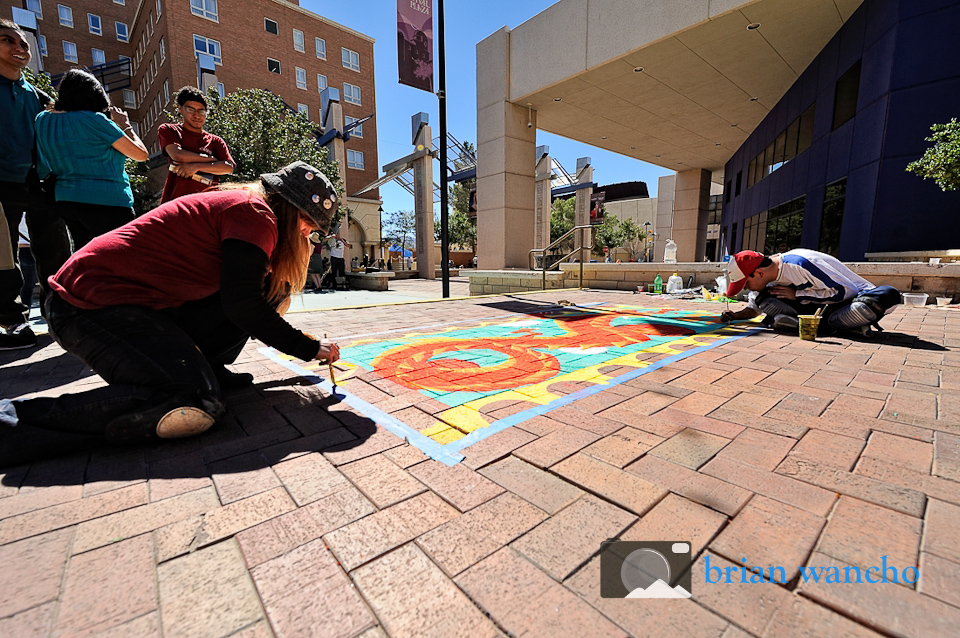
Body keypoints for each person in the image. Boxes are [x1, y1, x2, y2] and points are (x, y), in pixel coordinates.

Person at [0, 162, 341, 465]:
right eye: (308, 224)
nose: (304, 234)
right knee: (192, 399)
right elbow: (242, 305)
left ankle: (202, 368)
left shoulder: (248, 208)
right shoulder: (255, 213)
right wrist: (308, 348)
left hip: (125, 305)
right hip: (86, 305)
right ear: (289, 208)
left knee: (272, 286)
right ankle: (11, 422)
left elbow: (244, 299)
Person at [0, 20, 72, 351]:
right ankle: (10, 319)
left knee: (56, 245)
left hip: (39, 182)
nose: (19, 47)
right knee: (3, 253)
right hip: (2, 183)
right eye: (7, 40)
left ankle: (61, 310)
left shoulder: (40, 98)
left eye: (24, 43)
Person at [35, 69, 149, 250]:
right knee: (123, 258)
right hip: (108, 200)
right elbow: (140, 154)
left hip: (66, 200)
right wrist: (125, 125)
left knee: (87, 257)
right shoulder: (94, 120)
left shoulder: (42, 120)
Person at [719, 249, 900, 335]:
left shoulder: (801, 263)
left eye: (745, 283)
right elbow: (754, 308)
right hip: (817, 307)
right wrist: (734, 316)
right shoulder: (764, 281)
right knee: (764, 299)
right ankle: (846, 326)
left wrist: (797, 295)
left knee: (888, 293)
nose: (745, 288)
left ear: (759, 272)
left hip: (850, 300)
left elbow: (846, 290)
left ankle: (831, 324)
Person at [157, 86, 234, 203]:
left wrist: (195, 167)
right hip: (177, 203)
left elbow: (228, 167)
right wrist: (210, 159)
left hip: (209, 205)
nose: (197, 115)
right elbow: (177, 155)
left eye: (201, 111)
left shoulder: (215, 141)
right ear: (180, 109)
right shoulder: (169, 130)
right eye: (191, 109)